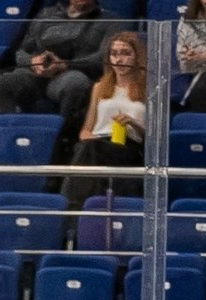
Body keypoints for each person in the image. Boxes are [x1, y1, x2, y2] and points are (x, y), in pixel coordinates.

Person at [0, 0, 117, 141]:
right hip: (36, 72)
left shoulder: (111, 20)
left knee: (75, 83)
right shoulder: (46, 14)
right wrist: (32, 61)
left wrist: (65, 65)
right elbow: (21, 51)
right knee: (3, 82)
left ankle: (63, 143)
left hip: (73, 72)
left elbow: (104, 57)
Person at [63, 32, 147, 207]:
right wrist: (89, 137)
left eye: (125, 53)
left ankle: (71, 204)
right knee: (86, 147)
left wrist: (132, 122)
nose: (119, 59)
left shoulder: (147, 88)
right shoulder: (100, 87)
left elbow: (152, 136)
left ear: (136, 56)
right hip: (97, 143)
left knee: (88, 151)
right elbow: (86, 130)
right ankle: (79, 206)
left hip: (129, 146)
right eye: (114, 53)